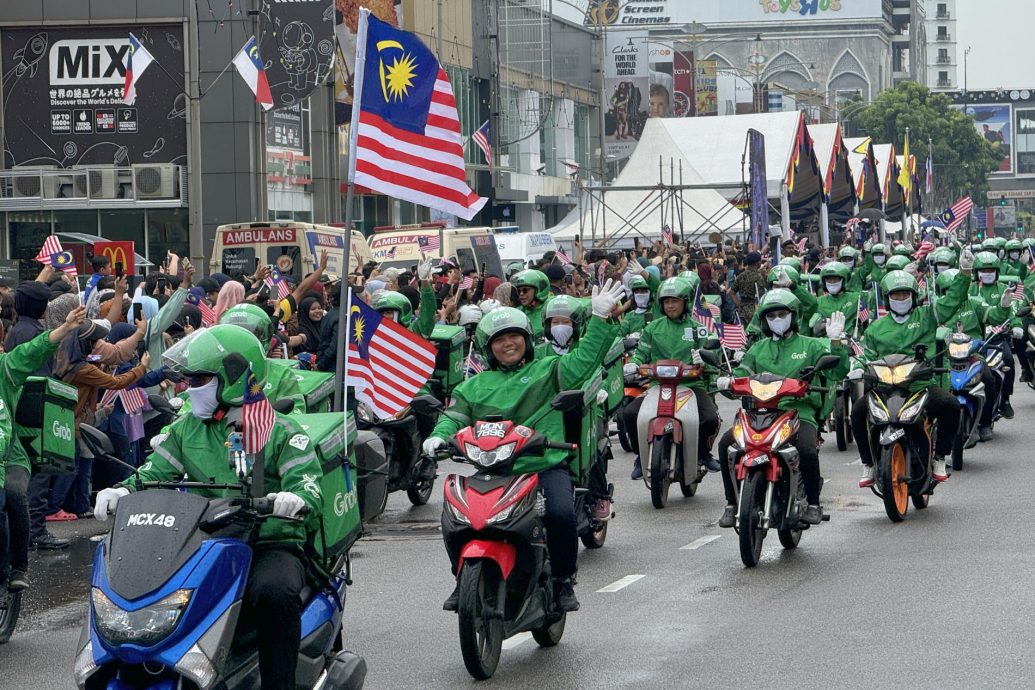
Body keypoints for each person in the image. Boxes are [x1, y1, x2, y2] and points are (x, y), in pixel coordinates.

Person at [94, 326, 324, 690]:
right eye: (189, 379)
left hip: (270, 540)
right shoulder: (186, 428)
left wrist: (294, 499)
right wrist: (120, 490)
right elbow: (153, 472)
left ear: (234, 378)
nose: (189, 387)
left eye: (200, 379)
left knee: (274, 595)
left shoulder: (280, 431)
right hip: (207, 538)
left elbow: (309, 486)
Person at [423, 280, 626, 613]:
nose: (508, 344)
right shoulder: (474, 385)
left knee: (561, 514)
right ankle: (463, 579)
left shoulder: (548, 370)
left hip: (542, 466)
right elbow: (454, 416)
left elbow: (584, 362)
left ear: (527, 340)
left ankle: (562, 581)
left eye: (514, 337)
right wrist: (437, 436)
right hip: (492, 470)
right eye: (500, 340)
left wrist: (600, 321)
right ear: (489, 348)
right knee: (454, 517)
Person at [715, 289, 848, 527]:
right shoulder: (758, 348)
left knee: (807, 448)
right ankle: (731, 504)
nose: (777, 319)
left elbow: (837, 372)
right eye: (771, 315)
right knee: (726, 444)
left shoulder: (811, 346)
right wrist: (727, 380)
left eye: (782, 313)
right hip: (758, 412)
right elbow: (742, 372)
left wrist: (836, 343)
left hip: (799, 412)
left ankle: (814, 504)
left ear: (793, 316)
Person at [851, 257, 974, 487]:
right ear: (887, 299)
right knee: (857, 414)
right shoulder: (876, 328)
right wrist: (857, 369)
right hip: (885, 389)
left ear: (913, 296)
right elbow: (865, 356)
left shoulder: (928, 316)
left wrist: (965, 274)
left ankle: (939, 457)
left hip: (919, 387)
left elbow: (952, 300)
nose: (900, 299)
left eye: (905, 294)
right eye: (895, 295)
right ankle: (868, 464)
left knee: (951, 406)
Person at [0, 305, 87, 590]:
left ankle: (16, 568)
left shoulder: (7, 368)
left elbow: (37, 348)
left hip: (11, 455)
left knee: (11, 494)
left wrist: (65, 327)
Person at [622, 277, 721, 480]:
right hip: (658, 385)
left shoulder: (698, 328)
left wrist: (703, 359)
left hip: (691, 385)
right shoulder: (652, 328)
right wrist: (634, 362)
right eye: (666, 302)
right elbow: (642, 353)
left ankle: (703, 453)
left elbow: (713, 351)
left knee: (710, 418)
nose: (670, 306)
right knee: (629, 414)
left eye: (675, 301)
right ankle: (641, 457)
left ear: (685, 302)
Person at [934, 268, 1004, 441]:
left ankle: (985, 423)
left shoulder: (975, 302)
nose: (954, 294)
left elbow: (994, 316)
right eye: (948, 290)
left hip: (973, 355)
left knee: (988, 378)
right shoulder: (936, 309)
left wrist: (1004, 306)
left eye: (957, 289)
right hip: (945, 356)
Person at [510, 269, 553, 341]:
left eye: (525, 290)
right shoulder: (517, 313)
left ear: (539, 289)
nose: (521, 294)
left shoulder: (552, 306)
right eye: (518, 291)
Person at [731, 251, 767, 324]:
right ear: (758, 262)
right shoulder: (759, 277)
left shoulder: (740, 276)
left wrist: (738, 304)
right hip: (754, 309)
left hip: (742, 310)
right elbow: (761, 296)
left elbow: (732, 293)